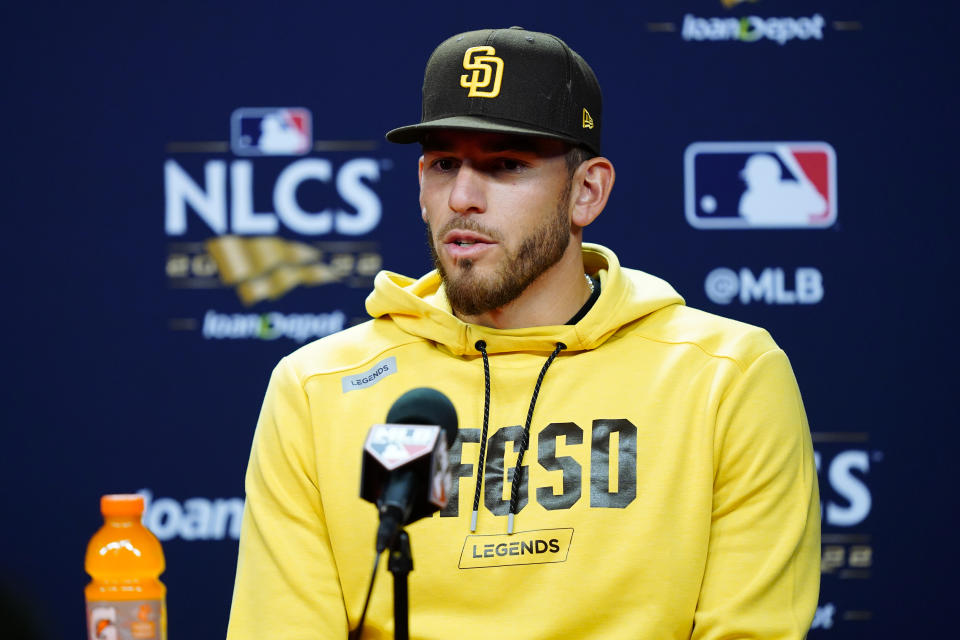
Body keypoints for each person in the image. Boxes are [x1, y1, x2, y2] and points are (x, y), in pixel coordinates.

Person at [227, 27, 820, 639]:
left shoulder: (726, 375)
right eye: (443, 163)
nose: (462, 196)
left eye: (505, 165)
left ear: (586, 191)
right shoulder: (317, 387)